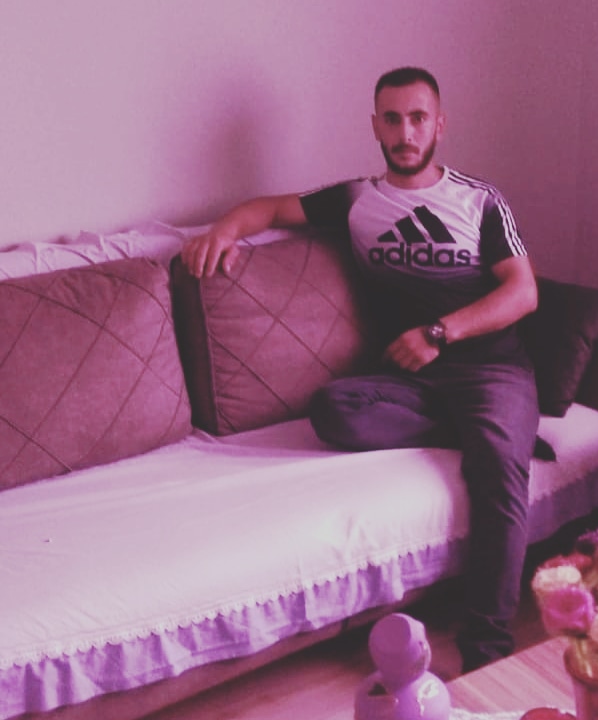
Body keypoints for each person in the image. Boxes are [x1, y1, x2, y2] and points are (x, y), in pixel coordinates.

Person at [181, 66, 539, 672]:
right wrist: (224, 230)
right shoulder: (356, 200)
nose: (405, 132)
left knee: (499, 471)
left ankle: (487, 649)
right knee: (333, 410)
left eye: (418, 118)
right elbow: (270, 208)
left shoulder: (480, 200)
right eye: (392, 119)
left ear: (440, 125)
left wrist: (439, 333)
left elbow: (522, 292)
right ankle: (470, 430)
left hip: (490, 368)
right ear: (375, 126)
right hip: (409, 382)